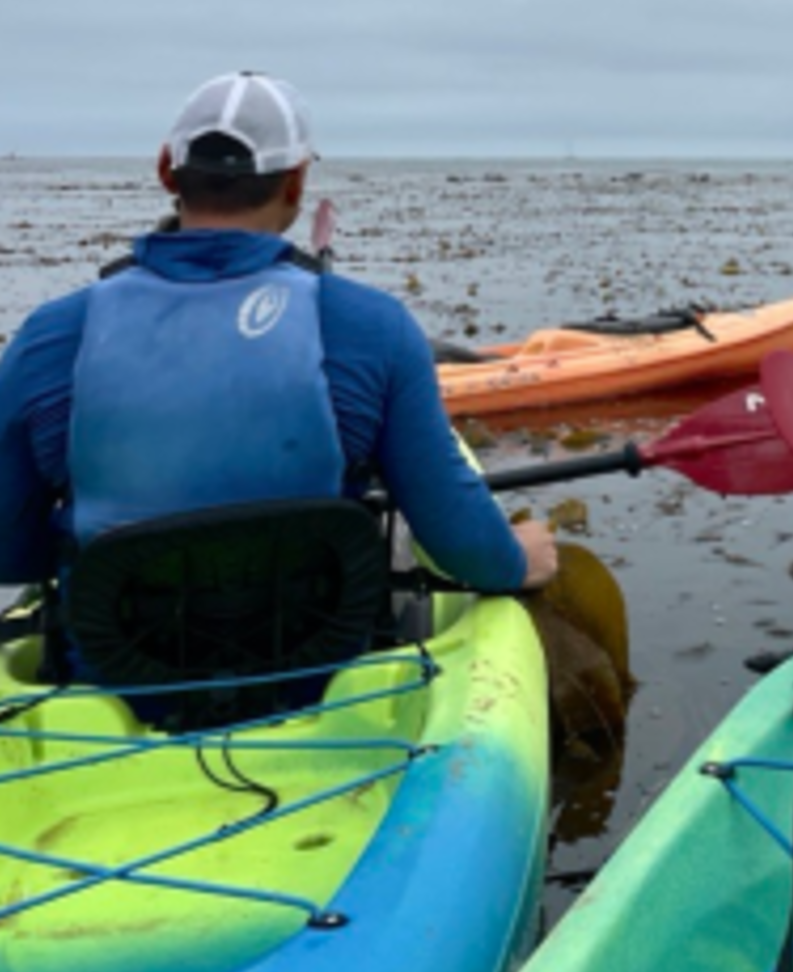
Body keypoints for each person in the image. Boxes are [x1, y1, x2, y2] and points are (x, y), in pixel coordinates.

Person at [0, 71, 558, 654]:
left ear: (167, 169)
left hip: (111, 677)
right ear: (295, 183)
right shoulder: (372, 326)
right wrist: (517, 559)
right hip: (319, 675)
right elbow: (458, 538)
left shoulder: (53, 336)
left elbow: (8, 549)